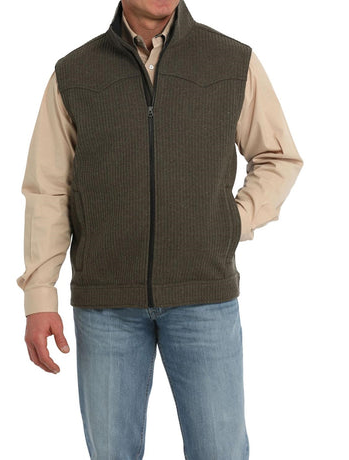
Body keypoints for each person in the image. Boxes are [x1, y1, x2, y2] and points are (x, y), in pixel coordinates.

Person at [16, 0, 304, 458]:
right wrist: (39, 295)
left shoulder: (231, 61)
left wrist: (233, 221)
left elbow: (278, 157)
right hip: (106, 305)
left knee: (220, 452)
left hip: (204, 297)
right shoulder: (74, 73)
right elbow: (49, 189)